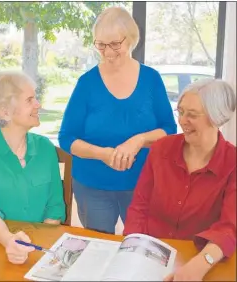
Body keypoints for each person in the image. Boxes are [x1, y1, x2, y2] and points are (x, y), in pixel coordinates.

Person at [58, 6, 177, 234]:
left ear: (131, 39)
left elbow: (169, 130)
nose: (108, 51)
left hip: (143, 185)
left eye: (115, 44)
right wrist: (102, 154)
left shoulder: (151, 79)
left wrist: (139, 140)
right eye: (101, 44)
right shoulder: (86, 83)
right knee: (99, 249)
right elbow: (67, 138)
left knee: (141, 249)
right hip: (92, 186)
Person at [124, 79, 236, 281]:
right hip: (149, 254)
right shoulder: (161, 149)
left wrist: (201, 265)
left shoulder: (233, 163)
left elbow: (229, 227)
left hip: (199, 258)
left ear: (217, 118)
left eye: (192, 115)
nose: (182, 121)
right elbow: (139, 207)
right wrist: (132, 250)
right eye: (181, 112)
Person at [0, 71, 66, 264]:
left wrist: (37, 249)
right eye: (29, 100)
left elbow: (55, 207)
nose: (38, 104)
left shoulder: (45, 147)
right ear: (5, 112)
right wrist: (9, 240)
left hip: (39, 248)